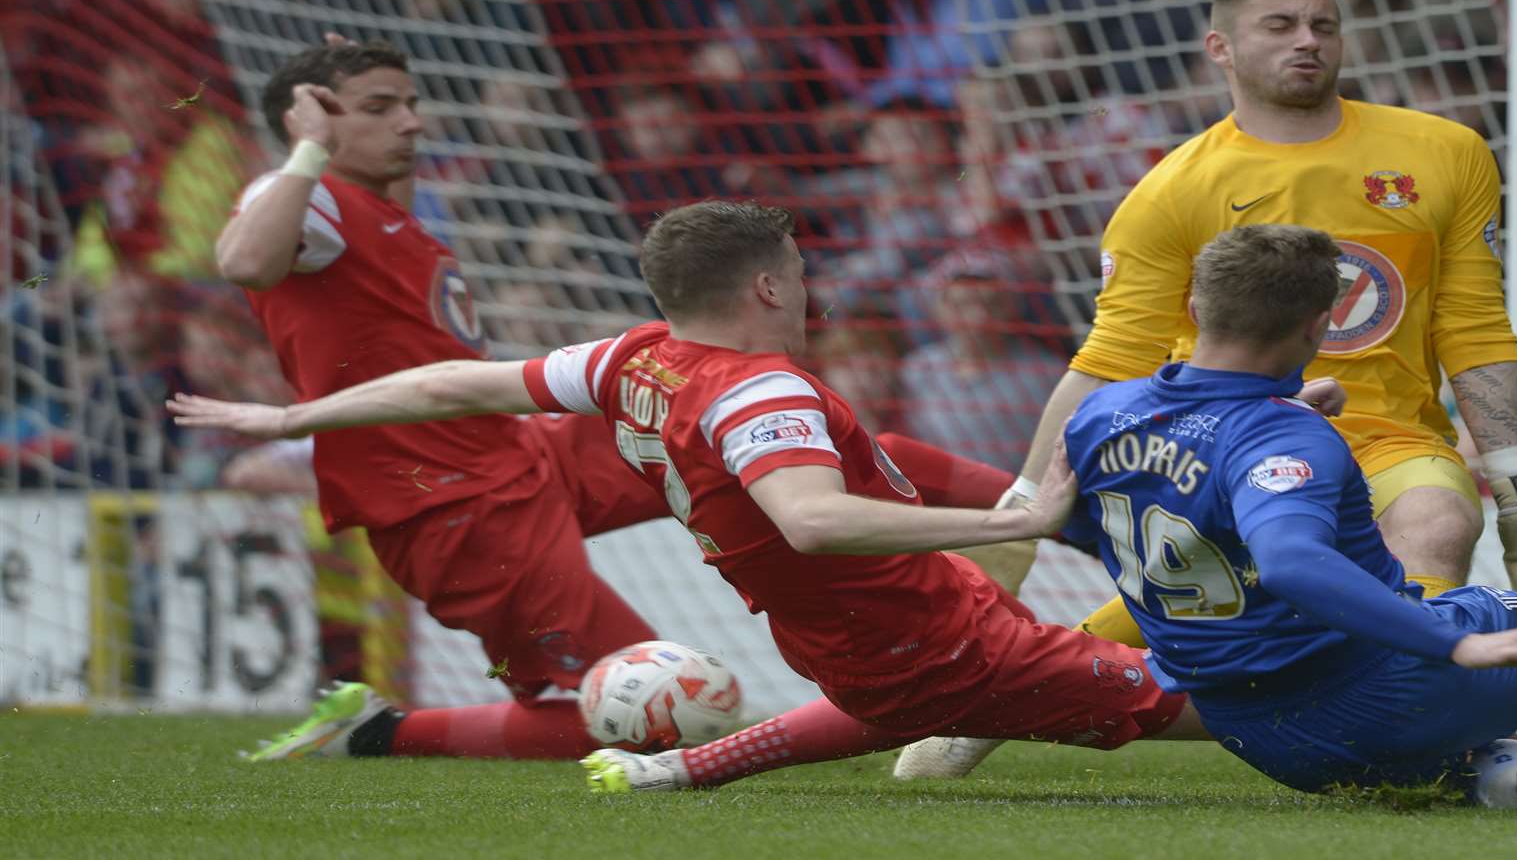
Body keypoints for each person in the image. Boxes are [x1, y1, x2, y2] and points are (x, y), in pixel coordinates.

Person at [169, 199, 1217, 792]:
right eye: (798, 273)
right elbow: (811, 519)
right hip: (927, 640)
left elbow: (459, 382)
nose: (808, 289)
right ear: (766, 288)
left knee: (897, 468)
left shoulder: (635, 357)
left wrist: (295, 418)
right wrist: (1019, 521)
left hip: (858, 645)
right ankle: (1087, 606)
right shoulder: (761, 392)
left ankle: (697, 768)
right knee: (1253, 707)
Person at [894, 0, 1517, 779]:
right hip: (1218, 442)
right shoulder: (1173, 189)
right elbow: (1111, 359)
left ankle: (1425, 740)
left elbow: (1475, 327)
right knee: (1207, 587)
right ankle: (1015, 689)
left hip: (1389, 438)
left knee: (1438, 524)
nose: (1307, 41)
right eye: (1279, 26)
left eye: (1322, 24)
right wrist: (1021, 506)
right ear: (1221, 50)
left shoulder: (1445, 153)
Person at [1054, 223, 1517, 808]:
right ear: (1321, 326)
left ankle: (1506, 774)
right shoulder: (1291, 439)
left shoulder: (1103, 413)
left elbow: (1091, 528)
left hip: (1252, 734)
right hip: (1381, 692)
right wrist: (1457, 644)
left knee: (1427, 743)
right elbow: (1292, 561)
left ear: (1195, 307)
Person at [207, 37, 672, 761]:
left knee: (723, 439)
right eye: (382, 108)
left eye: (412, 102)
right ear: (318, 126)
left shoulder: (380, 208)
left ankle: (894, 632)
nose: (413, 121)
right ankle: (378, 733)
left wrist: (356, 80)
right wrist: (308, 147)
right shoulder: (303, 195)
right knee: (655, 713)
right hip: (451, 504)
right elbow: (242, 261)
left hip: (515, 453)